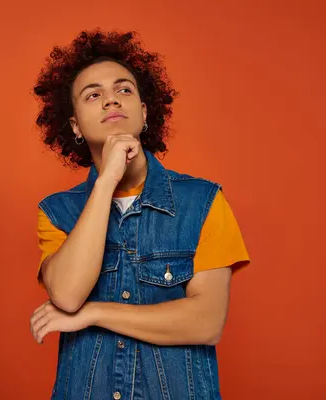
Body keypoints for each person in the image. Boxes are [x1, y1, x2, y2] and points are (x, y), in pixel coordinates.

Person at [30, 30, 249, 400]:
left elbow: (207, 321)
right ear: (75, 127)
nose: (111, 99)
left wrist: (95, 314)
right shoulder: (56, 212)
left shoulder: (204, 201)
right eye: (93, 94)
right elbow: (67, 295)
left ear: (144, 112)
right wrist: (107, 181)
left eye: (124, 89)